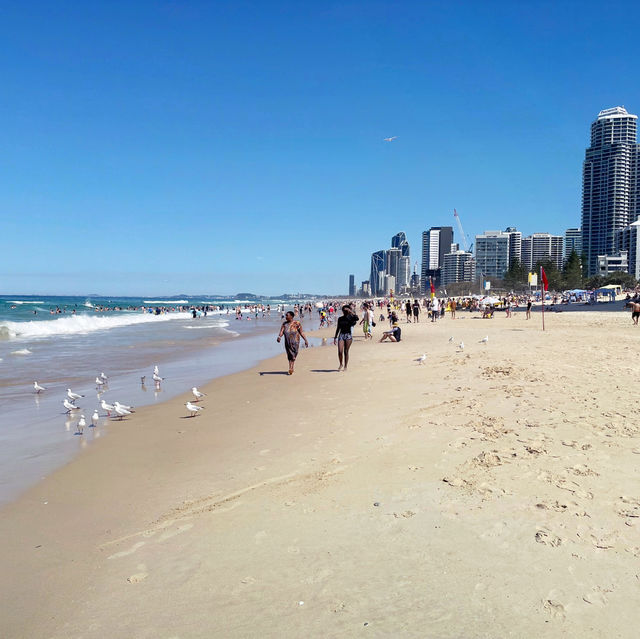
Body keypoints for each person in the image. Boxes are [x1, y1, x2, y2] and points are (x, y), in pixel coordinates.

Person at [333, 305, 359, 371]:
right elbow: (338, 328)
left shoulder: (351, 318)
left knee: (346, 351)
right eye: (344, 311)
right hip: (341, 335)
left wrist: (351, 311)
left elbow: (357, 318)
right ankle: (341, 364)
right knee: (340, 351)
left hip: (348, 336)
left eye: (346, 311)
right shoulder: (340, 318)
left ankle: (345, 366)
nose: (345, 312)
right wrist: (335, 337)